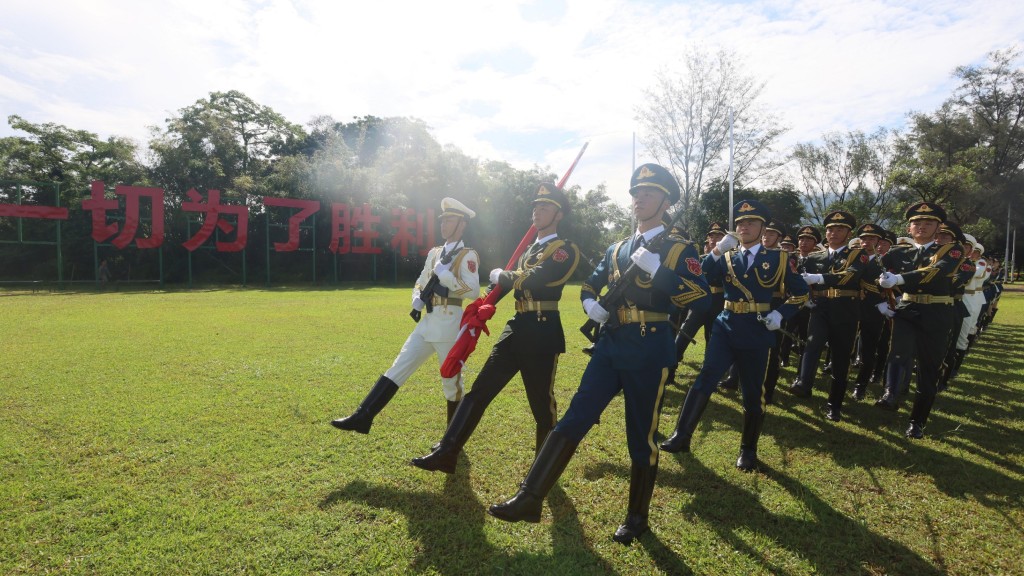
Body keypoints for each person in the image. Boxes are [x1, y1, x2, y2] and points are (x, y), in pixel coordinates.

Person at [487, 163, 710, 545]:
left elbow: (702, 299)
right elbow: (589, 284)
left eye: (649, 193)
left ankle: (637, 518)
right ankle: (530, 498)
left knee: (641, 437)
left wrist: (660, 271)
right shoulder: (618, 247)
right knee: (574, 418)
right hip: (609, 346)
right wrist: (592, 305)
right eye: (636, 193)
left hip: (648, 347)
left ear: (666, 201)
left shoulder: (677, 248)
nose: (639, 199)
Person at [410, 184, 580, 473]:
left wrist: (505, 275)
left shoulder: (564, 250)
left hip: (542, 331)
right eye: (536, 206)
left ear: (558, 214)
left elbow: (537, 279)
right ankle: (447, 451)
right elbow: (502, 286)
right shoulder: (529, 249)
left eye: (546, 207)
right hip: (516, 327)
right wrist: (486, 300)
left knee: (541, 405)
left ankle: (543, 470)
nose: (538, 211)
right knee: (479, 391)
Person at [661, 199, 808, 471]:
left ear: (763, 227)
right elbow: (700, 275)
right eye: (740, 223)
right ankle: (682, 436)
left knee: (753, 392)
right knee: (705, 379)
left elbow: (801, 292)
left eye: (751, 222)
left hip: (757, 331)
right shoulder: (727, 256)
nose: (745, 227)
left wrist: (781, 314)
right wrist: (716, 251)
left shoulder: (779, 259)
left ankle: (748, 450)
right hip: (726, 326)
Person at [330, 198, 481, 436]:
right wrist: (417, 297)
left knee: (451, 383)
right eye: (442, 220)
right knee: (398, 367)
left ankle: (451, 441)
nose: (444, 225)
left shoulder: (467, 255)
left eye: (450, 220)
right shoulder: (435, 253)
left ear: (462, 225)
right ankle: (363, 416)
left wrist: (446, 276)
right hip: (427, 321)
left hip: (448, 324)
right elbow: (421, 280)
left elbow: (472, 291)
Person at [875, 201, 962, 439]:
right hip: (907, 308)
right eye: (916, 223)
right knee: (898, 352)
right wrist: (881, 292)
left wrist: (899, 279)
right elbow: (876, 274)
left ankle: (917, 421)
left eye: (928, 223)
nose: (921, 227)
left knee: (928, 367)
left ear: (938, 227)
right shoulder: (897, 252)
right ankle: (890, 393)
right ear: (909, 227)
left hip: (936, 313)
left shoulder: (950, 251)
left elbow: (935, 272)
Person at [788, 210, 867, 423]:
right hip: (820, 308)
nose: (833, 232)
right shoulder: (815, 257)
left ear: (848, 233)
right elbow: (799, 280)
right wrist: (805, 298)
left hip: (846, 311)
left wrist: (820, 277)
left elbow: (849, 275)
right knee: (812, 345)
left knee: (841, 359)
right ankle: (804, 383)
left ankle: (835, 405)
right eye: (830, 229)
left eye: (839, 229)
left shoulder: (857, 255)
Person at [851, 223, 888, 401]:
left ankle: (861, 385)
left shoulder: (885, 261)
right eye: (864, 239)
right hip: (850, 306)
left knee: (868, 349)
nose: (866, 242)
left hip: (873, 309)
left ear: (878, 242)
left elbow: (890, 288)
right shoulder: (851, 258)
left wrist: (884, 302)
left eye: (871, 239)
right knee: (844, 346)